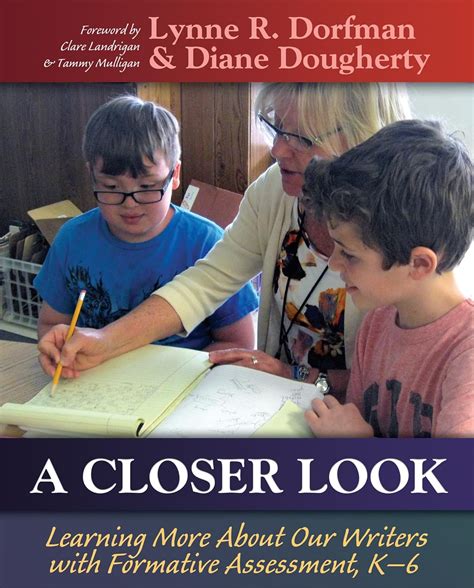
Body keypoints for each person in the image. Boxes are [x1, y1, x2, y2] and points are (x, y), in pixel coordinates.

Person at [38, 83, 411, 391]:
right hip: (275, 396)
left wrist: (293, 376)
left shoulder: (406, 226)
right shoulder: (275, 190)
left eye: (301, 138)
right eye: (277, 128)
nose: (277, 149)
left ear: (363, 138)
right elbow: (206, 282)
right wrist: (104, 342)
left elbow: (401, 382)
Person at [34, 95, 258, 351]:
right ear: (92, 176)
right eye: (111, 187)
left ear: (175, 175)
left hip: (186, 375)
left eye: (147, 186)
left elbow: (239, 343)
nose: (130, 203)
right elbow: (51, 325)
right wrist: (56, 350)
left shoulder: (207, 242)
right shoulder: (72, 239)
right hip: (96, 372)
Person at [302, 119, 473, 438]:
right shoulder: (376, 324)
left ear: (419, 264)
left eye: (349, 254)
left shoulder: (467, 354)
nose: (334, 264)